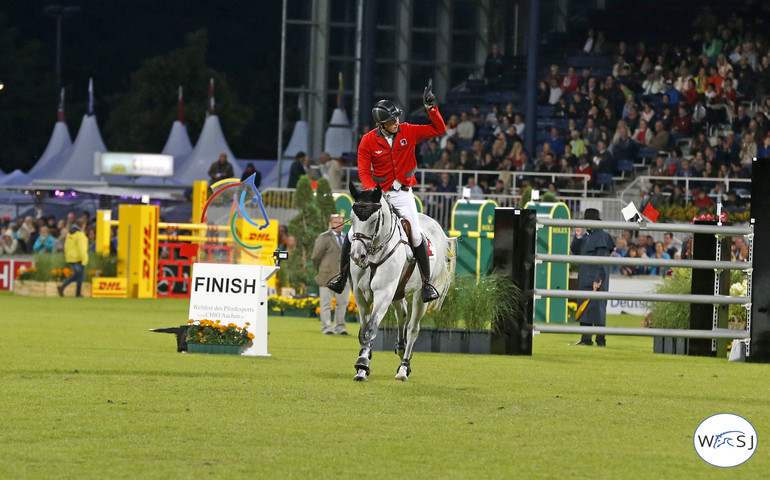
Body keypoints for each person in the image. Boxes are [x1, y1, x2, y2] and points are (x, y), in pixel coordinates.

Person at [327, 81, 445, 303]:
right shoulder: (368, 141)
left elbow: (439, 129)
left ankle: (427, 283)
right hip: (379, 195)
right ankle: (342, 276)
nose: (396, 122)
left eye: (397, 118)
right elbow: (363, 171)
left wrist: (432, 109)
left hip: (403, 194)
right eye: (392, 121)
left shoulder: (408, 131)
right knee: (352, 234)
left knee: (416, 235)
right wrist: (372, 192)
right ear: (381, 124)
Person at [571, 208, 615, 346]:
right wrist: (577, 236)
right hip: (584, 277)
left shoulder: (602, 235)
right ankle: (586, 339)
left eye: (590, 220)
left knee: (598, 308)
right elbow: (574, 250)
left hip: (596, 277)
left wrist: (599, 278)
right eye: (586, 220)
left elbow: (603, 259)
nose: (587, 223)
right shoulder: (585, 236)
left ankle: (601, 340)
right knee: (584, 309)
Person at [311, 214, 350, 335]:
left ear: (344, 224)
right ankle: (327, 328)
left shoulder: (347, 238)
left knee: (342, 303)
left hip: (344, 277)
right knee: (326, 304)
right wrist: (322, 269)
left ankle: (340, 328)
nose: (338, 224)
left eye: (341, 222)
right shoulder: (324, 237)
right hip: (326, 276)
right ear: (330, 224)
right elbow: (315, 257)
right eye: (335, 222)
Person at [58, 218, 89, 298]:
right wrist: (85, 259)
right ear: (82, 225)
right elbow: (82, 248)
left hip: (70, 257)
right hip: (78, 258)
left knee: (77, 275)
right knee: (79, 276)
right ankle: (76, 292)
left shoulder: (70, 234)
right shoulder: (80, 235)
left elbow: (66, 246)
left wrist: (67, 255)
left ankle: (65, 288)